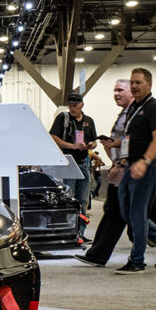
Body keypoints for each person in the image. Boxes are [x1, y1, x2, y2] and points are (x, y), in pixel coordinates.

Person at [75, 79, 156, 269]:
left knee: (139, 214)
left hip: (138, 169)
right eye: (114, 90)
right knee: (122, 212)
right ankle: (102, 254)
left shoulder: (146, 111)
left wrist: (131, 163)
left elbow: (153, 140)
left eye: (120, 90)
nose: (116, 94)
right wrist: (116, 153)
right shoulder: (128, 113)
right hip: (128, 169)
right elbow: (127, 141)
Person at [114, 68, 156, 274]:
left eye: (139, 83)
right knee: (126, 212)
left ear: (149, 85)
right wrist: (120, 160)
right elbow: (129, 138)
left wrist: (144, 161)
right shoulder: (134, 107)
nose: (134, 86)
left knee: (137, 214)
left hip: (146, 166)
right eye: (132, 82)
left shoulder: (155, 108)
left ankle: (137, 261)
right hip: (130, 165)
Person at [49, 93, 97, 239]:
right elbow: (53, 137)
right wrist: (72, 146)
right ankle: (68, 231)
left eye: (75, 105)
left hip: (83, 163)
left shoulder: (88, 121)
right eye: (70, 105)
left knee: (83, 200)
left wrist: (90, 145)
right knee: (70, 199)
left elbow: (94, 141)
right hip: (68, 162)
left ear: (82, 104)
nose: (72, 108)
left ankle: (80, 232)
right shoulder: (63, 118)